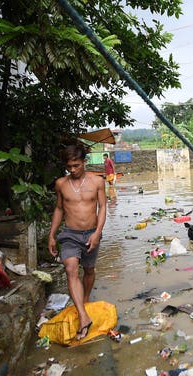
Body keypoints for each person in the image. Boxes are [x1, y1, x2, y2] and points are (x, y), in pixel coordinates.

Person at [48, 145, 107, 341]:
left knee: (89, 270)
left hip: (91, 233)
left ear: (84, 162)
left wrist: (97, 233)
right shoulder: (61, 184)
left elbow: (103, 207)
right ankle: (83, 316)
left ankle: (86, 300)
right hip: (70, 234)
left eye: (76, 165)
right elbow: (58, 209)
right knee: (71, 268)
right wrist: (52, 235)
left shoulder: (97, 182)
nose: (72, 170)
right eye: (69, 167)